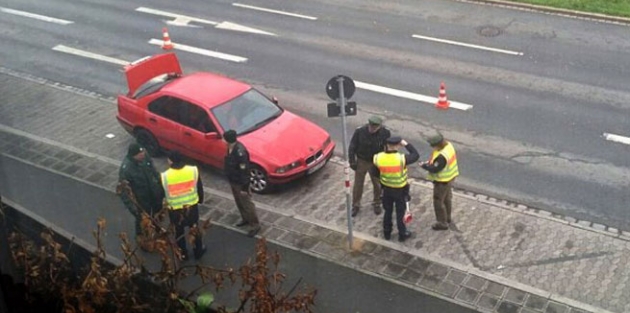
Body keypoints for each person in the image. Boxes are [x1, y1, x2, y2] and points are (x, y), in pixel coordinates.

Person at [161, 151, 206, 261]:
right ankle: (198, 252)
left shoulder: (165, 176)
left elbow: (162, 193)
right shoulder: (193, 170)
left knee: (179, 233)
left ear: (171, 161)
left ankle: (183, 254)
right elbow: (199, 187)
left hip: (175, 211)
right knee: (194, 230)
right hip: (191, 208)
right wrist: (200, 200)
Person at [118, 142, 164, 248]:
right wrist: (133, 208)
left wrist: (160, 186)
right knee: (142, 221)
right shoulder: (127, 170)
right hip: (141, 201)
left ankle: (157, 231)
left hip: (154, 195)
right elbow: (124, 192)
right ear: (134, 155)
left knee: (157, 215)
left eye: (143, 151)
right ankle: (142, 239)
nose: (143, 154)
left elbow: (153, 171)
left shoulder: (145, 157)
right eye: (140, 153)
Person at [373, 136, 419, 242]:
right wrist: (406, 144)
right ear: (398, 146)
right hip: (400, 190)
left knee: (387, 211)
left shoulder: (378, 157)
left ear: (387, 145)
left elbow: (374, 172)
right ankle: (402, 234)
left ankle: (387, 232)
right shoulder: (401, 158)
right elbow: (415, 155)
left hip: (386, 189)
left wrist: (383, 180)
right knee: (400, 213)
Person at [348, 115, 391, 217]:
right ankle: (356, 205)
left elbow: (387, 148)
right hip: (362, 160)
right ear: (368, 124)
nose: (372, 129)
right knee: (358, 184)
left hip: (376, 161)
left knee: (377, 184)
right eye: (371, 127)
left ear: (379, 127)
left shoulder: (385, 133)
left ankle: (377, 203)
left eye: (375, 127)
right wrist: (352, 161)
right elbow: (352, 146)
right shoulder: (360, 131)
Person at [223, 129, 261, 237]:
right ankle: (245, 219)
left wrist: (245, 187)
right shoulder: (230, 148)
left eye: (223, 138)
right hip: (233, 180)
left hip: (240, 182)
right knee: (239, 202)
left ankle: (255, 225)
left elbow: (244, 171)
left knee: (247, 203)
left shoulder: (240, 152)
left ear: (227, 140)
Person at [419, 132, 459, 231]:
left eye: (433, 145)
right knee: (447, 198)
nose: (432, 147)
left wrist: (424, 166)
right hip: (450, 177)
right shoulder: (448, 146)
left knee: (438, 201)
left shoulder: (442, 156)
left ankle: (442, 223)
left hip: (442, 181)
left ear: (438, 145)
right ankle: (448, 217)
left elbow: (435, 168)